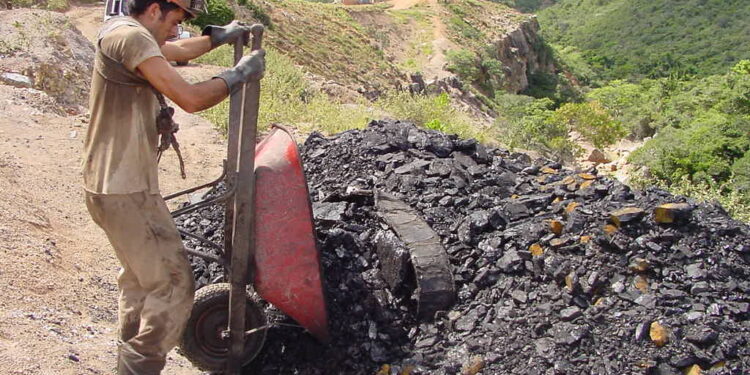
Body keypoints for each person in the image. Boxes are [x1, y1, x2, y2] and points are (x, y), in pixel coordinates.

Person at [82, 0, 264, 373]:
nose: (176, 30)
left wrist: (216, 38)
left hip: (109, 184)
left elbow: (175, 50)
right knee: (173, 282)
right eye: (175, 20)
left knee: (141, 280)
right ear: (153, 9)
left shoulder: (126, 32)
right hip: (125, 188)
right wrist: (237, 76)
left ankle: (128, 361)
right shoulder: (130, 37)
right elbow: (192, 99)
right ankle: (139, 367)